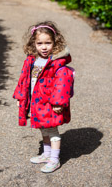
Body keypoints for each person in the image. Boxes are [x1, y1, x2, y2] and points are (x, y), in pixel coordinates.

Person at [13, 21, 75, 173]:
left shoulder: (57, 63)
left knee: (52, 131)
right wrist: (21, 97)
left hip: (50, 104)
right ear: (33, 43)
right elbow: (24, 80)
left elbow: (62, 84)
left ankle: (54, 159)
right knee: (43, 129)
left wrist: (58, 103)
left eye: (48, 43)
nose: (44, 47)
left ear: (55, 42)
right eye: (39, 43)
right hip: (36, 103)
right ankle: (46, 154)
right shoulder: (31, 60)